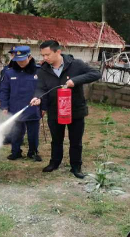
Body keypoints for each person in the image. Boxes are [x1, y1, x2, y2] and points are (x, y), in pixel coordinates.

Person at [30, 40, 101, 178]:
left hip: (75, 110)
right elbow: (40, 88)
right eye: (43, 55)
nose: (44, 58)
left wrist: (75, 81)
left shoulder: (76, 64)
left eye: (47, 54)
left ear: (58, 51)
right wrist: (37, 97)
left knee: (75, 140)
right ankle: (54, 162)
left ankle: (76, 167)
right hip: (55, 111)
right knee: (56, 139)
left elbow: (96, 73)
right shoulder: (43, 70)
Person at [0, 46, 43, 162]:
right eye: (18, 60)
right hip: (15, 107)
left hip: (33, 108)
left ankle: (33, 152)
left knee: (33, 133)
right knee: (16, 132)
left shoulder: (39, 71)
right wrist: (4, 106)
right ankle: (16, 152)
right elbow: (4, 90)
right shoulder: (9, 72)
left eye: (23, 60)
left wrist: (41, 101)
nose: (20, 63)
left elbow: (43, 89)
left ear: (30, 57)